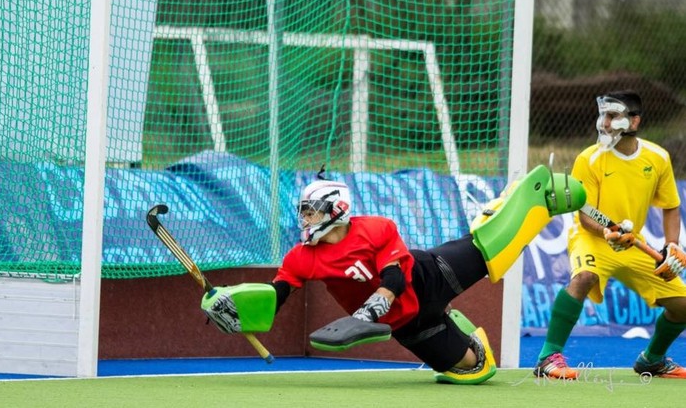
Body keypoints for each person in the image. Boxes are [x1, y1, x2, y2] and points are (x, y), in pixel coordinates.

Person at [202, 164, 586, 385]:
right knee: (475, 369)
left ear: (335, 210)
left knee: (491, 250)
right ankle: (456, 326)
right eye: (303, 212)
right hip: (407, 323)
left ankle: (525, 199)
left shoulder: (377, 228)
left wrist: (368, 313)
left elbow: (394, 280)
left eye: (311, 211)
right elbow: (277, 295)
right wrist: (235, 307)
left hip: (428, 276)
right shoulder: (302, 257)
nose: (304, 219)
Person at [533, 90, 686, 380]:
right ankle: (547, 358)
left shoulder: (658, 158)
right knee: (584, 278)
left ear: (635, 121)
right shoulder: (589, 159)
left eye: (613, 115)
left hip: (632, 242)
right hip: (592, 237)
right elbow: (585, 213)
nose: (604, 122)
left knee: (682, 306)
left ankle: (652, 360)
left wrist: (670, 246)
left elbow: (671, 207)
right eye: (603, 114)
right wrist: (609, 232)